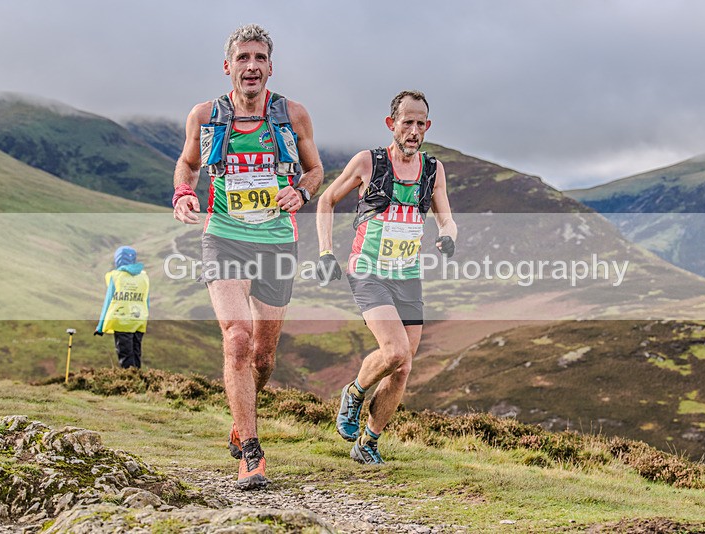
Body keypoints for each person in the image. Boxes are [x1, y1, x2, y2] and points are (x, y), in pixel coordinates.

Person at [172, 24, 323, 490]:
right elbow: (189, 164)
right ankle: (252, 450)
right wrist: (183, 193)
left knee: (263, 355)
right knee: (237, 339)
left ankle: (242, 417)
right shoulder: (206, 115)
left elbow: (315, 169)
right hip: (225, 237)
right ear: (228, 66)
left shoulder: (292, 115)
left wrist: (301, 191)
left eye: (259, 58)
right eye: (243, 58)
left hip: (277, 240)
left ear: (270, 68)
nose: (251, 66)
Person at [316, 90, 457, 464]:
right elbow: (327, 200)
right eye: (406, 122)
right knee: (394, 351)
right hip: (368, 271)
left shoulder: (433, 169)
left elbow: (446, 217)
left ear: (428, 126)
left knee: (404, 365)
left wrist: (448, 236)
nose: (413, 130)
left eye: (420, 123)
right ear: (391, 124)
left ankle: (368, 443)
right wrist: (326, 251)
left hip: (407, 274)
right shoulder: (368, 162)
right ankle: (354, 393)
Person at [95, 246, 150, 369]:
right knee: (136, 354)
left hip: (121, 321)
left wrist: (100, 326)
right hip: (139, 321)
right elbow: (147, 301)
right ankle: (138, 382)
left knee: (126, 356)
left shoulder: (115, 277)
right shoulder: (144, 277)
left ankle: (130, 383)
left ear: (118, 259)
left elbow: (108, 301)